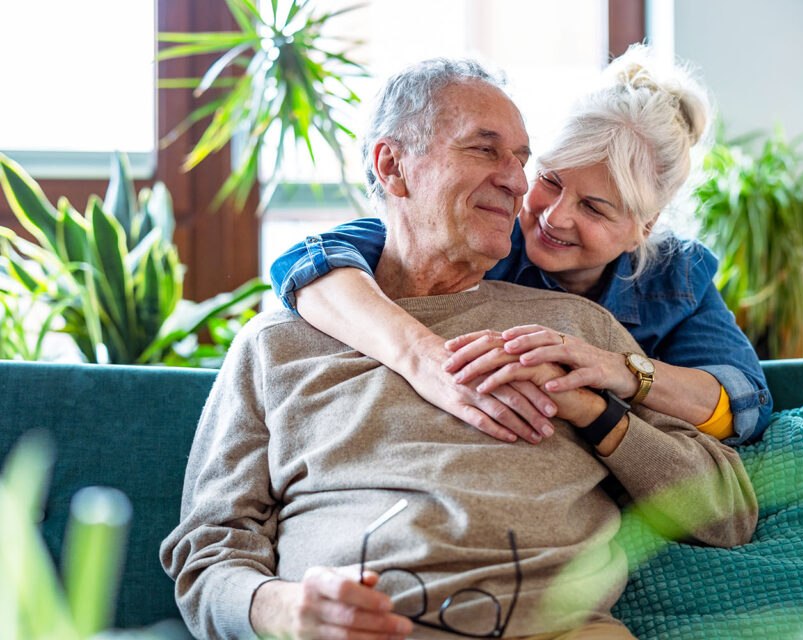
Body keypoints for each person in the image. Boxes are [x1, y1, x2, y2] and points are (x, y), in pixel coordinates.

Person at [161, 58, 757, 640]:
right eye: (485, 149)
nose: (523, 187)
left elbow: (729, 500)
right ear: (392, 168)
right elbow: (207, 552)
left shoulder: (581, 332)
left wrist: (601, 410)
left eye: (522, 160)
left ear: (640, 229)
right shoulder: (282, 340)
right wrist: (281, 609)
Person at [269, 45, 772, 450]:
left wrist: (619, 369)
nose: (555, 216)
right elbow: (309, 264)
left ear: (644, 226)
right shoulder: (486, 234)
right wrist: (423, 358)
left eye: (594, 208)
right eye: (550, 181)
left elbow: (744, 403)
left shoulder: (675, 276)